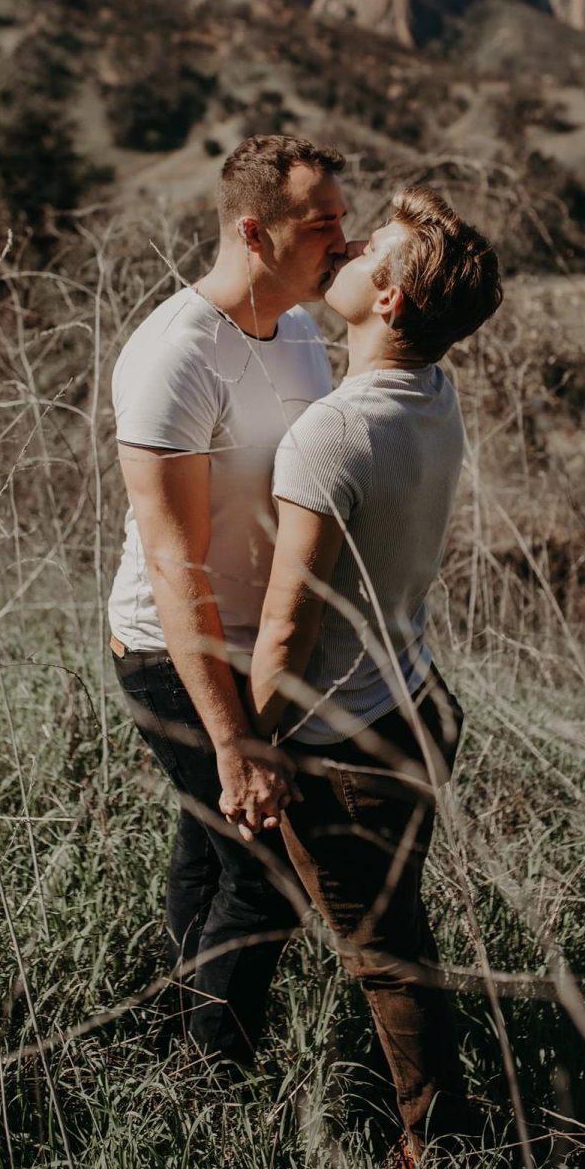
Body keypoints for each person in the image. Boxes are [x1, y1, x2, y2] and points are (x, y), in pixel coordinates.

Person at [247, 187, 502, 1165]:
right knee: (399, 933)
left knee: (389, 959)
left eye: (367, 250)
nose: (344, 248)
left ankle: (432, 1143)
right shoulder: (432, 395)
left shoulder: (332, 437)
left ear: (387, 300)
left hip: (345, 739)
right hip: (415, 702)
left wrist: (246, 743)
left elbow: (284, 630)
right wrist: (423, 228)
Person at [108, 134, 349, 1066]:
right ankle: (215, 1085)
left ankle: (166, 1048)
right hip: (173, 652)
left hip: (266, 651)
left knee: (210, 856)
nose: (344, 237)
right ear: (255, 230)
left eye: (342, 216)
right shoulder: (175, 355)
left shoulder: (296, 329)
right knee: (270, 869)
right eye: (321, 223)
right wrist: (232, 739)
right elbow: (176, 566)